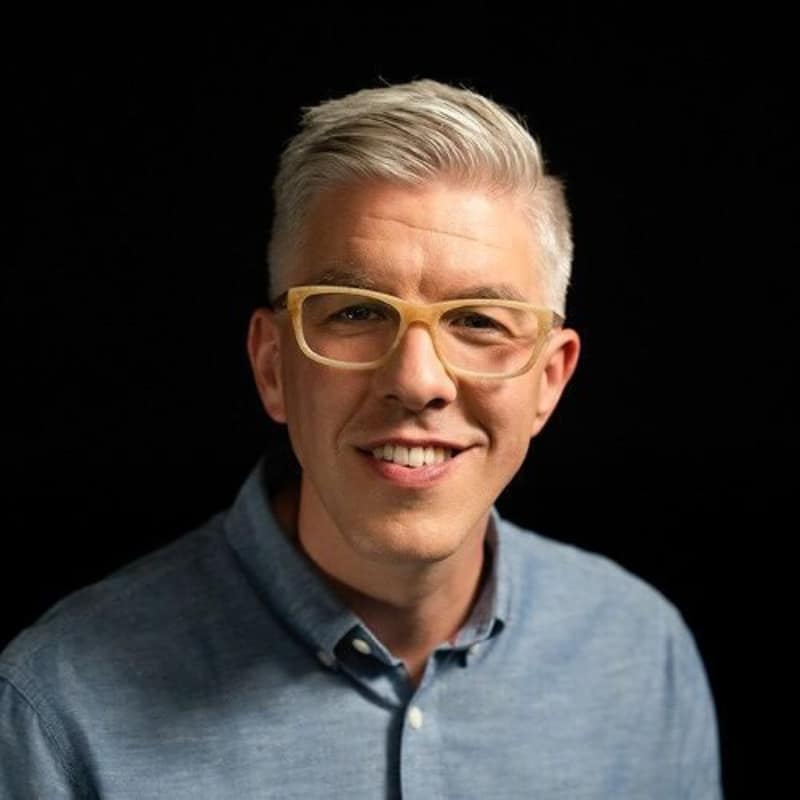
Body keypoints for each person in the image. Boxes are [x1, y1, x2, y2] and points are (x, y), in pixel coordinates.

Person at [0, 79, 722, 798]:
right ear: (273, 366)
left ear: (550, 380)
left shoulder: (642, 654)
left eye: (477, 321)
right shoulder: (59, 708)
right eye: (354, 313)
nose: (416, 381)